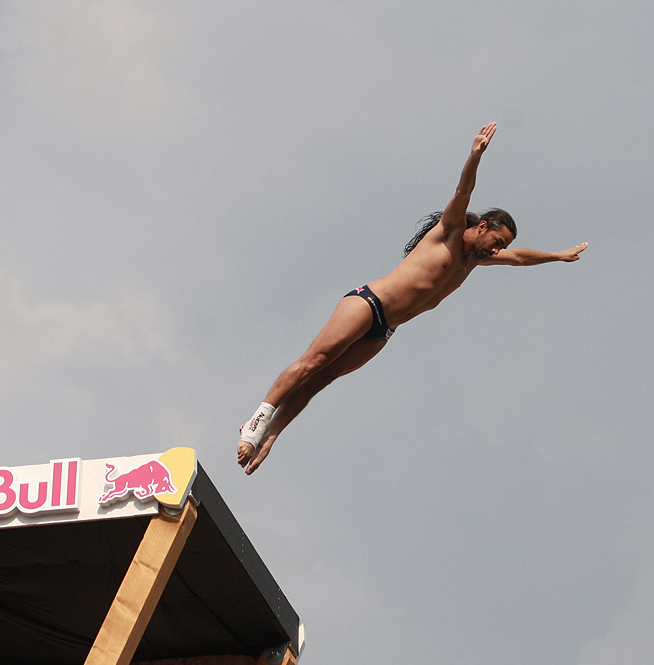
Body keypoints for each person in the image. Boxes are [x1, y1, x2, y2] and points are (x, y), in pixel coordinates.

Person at [237, 122, 587, 474]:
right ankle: (256, 421)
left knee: (322, 379)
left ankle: (271, 435)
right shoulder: (448, 232)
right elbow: (463, 189)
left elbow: (522, 257)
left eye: (503, 247)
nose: (499, 250)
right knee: (314, 361)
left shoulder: (475, 261)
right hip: (369, 304)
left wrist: (557, 256)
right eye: (497, 241)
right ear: (482, 228)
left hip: (385, 329)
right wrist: (475, 155)